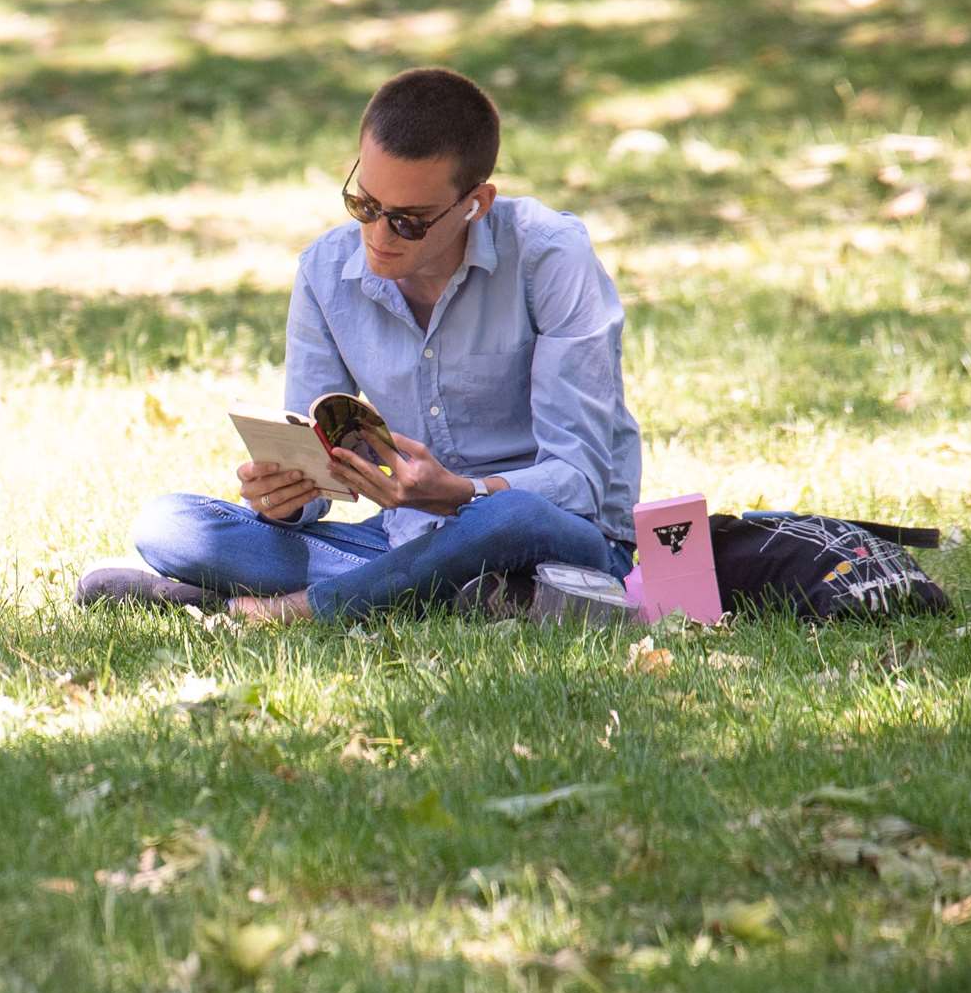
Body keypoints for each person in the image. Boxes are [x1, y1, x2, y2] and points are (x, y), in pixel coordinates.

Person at [79, 67, 641, 623]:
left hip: (554, 538)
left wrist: (460, 492)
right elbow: (314, 461)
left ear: (477, 203)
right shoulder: (326, 271)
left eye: (409, 221)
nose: (378, 236)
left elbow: (581, 479)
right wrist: (288, 494)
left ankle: (295, 610)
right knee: (170, 525)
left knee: (512, 514)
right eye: (365, 206)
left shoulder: (550, 256)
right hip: (402, 540)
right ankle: (451, 595)